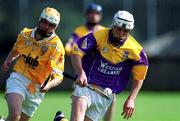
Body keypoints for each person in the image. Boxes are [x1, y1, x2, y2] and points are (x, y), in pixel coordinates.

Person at [70, 10, 148, 121]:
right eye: (119, 29)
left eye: (125, 31)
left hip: (106, 96)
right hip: (86, 88)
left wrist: (131, 99)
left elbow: (139, 77)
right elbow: (76, 52)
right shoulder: (99, 36)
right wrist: (80, 73)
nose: (121, 34)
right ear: (113, 25)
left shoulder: (136, 51)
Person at [1, 7, 65, 121]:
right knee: (15, 115)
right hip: (19, 78)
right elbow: (17, 48)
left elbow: (59, 76)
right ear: (39, 20)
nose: (46, 27)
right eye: (45, 22)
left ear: (55, 27)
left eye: (51, 25)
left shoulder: (57, 46)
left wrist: (48, 85)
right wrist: (8, 59)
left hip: (37, 89)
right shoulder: (25, 34)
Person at [65, 3, 115, 121]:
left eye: (96, 13)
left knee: (111, 99)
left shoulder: (104, 31)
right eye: (91, 13)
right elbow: (71, 46)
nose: (93, 16)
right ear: (86, 15)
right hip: (84, 74)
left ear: (100, 16)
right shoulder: (80, 31)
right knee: (80, 110)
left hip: (101, 75)